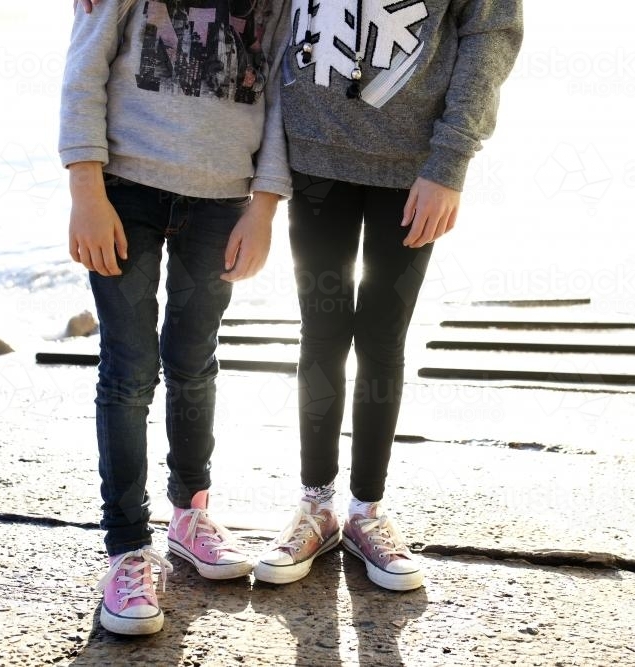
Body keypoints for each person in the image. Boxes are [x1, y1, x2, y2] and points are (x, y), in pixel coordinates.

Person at [79, 0, 523, 593]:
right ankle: (313, 507)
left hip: (410, 165)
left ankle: (366, 511)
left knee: (381, 338)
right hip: (312, 156)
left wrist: (450, 162)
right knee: (319, 330)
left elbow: (491, 30)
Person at [61, 0, 291, 635]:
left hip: (223, 198)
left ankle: (190, 514)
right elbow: (85, 68)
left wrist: (265, 207)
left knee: (193, 360)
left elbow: (280, 93)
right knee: (129, 369)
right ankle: (128, 547)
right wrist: (85, 190)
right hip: (124, 189)